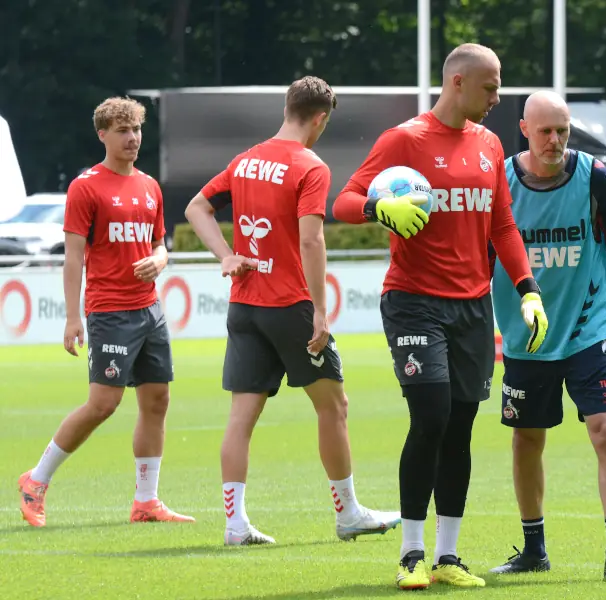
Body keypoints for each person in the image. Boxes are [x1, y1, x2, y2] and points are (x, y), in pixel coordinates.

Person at [332, 43, 548, 590]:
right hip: (414, 301)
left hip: (473, 307)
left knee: (459, 426)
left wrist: (527, 289)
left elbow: (502, 226)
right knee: (429, 416)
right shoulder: (405, 140)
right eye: (490, 87)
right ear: (456, 81)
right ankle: (411, 554)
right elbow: (344, 201)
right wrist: (379, 207)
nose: (497, 98)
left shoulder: (489, 145)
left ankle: (448, 557)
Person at [183, 76, 400, 546]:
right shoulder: (309, 165)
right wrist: (321, 310)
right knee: (333, 406)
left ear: (287, 107)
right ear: (320, 118)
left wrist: (225, 254)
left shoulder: (245, 160)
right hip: (290, 306)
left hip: (245, 304)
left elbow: (197, 207)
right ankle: (348, 514)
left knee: (241, 416)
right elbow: (311, 237)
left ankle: (235, 525)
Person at [484, 91, 606, 582]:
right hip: (527, 338)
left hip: (589, 329)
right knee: (527, 439)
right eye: (545, 131)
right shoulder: (498, 180)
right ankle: (533, 548)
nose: (555, 140)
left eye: (562, 130)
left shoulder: (594, 176)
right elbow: (480, 263)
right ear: (524, 129)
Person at [17, 97, 194, 527]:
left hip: (149, 309)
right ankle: (35, 481)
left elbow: (159, 243)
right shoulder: (86, 186)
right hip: (109, 312)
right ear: (103, 135)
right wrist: (73, 317)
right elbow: (74, 257)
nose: (132, 138)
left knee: (157, 400)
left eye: (135, 130)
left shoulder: (150, 186)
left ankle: (146, 501)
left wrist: (161, 260)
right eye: (121, 130)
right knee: (103, 404)